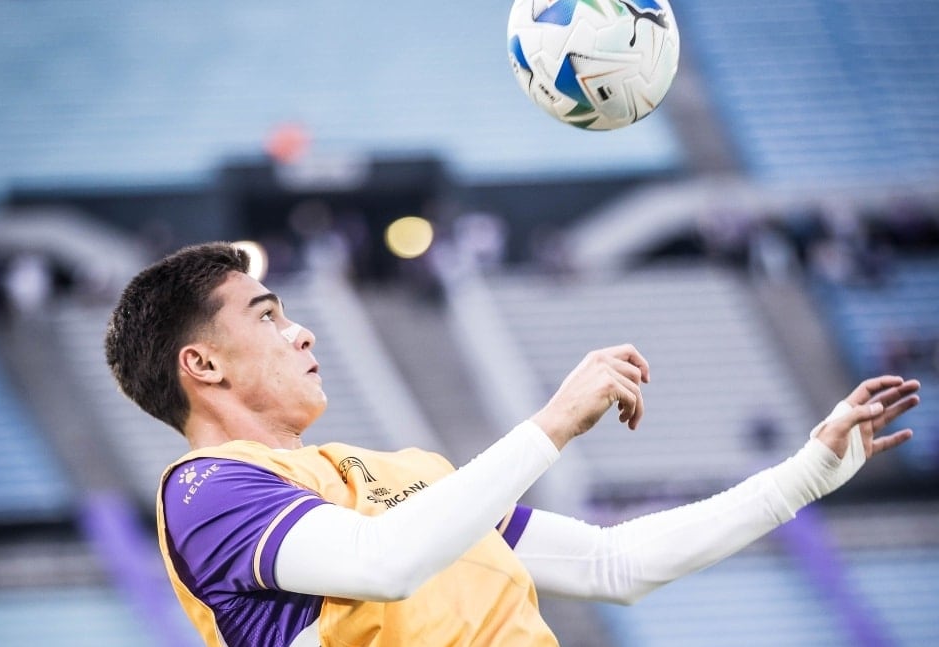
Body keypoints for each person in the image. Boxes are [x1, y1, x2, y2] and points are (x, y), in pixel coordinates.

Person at [104, 242, 920, 647]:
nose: (302, 330)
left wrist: (807, 472)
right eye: (268, 315)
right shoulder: (206, 491)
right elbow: (382, 564)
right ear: (201, 363)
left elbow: (613, 564)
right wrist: (554, 421)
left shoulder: (410, 476)